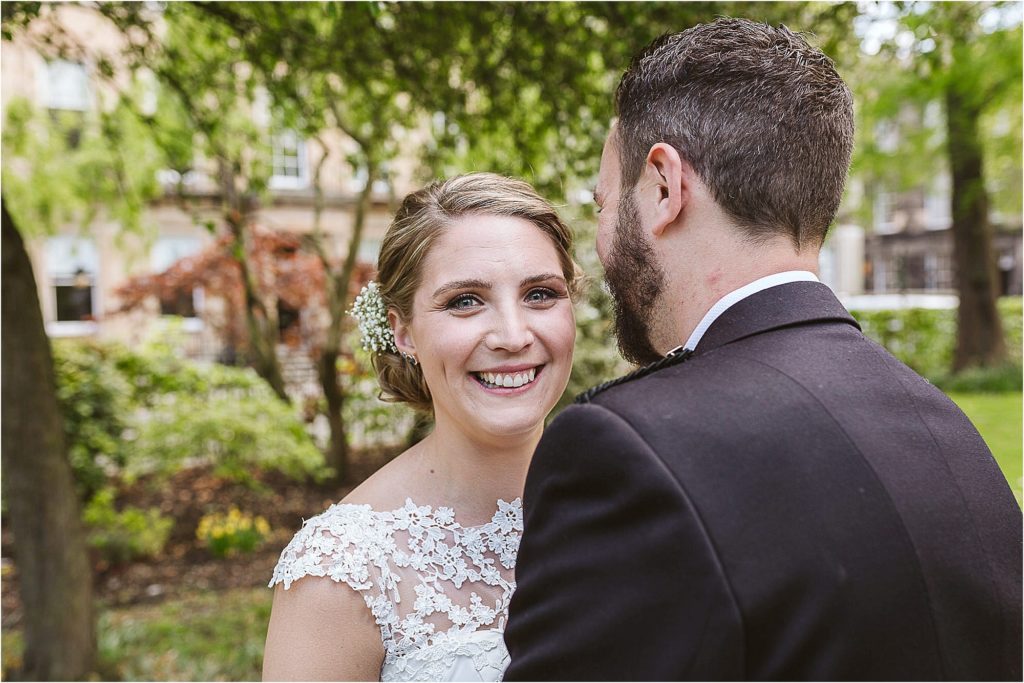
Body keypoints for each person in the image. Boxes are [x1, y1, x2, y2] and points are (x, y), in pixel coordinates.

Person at [503, 18, 1023, 681]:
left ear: (663, 187)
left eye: (605, 203)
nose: (602, 240)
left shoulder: (628, 450)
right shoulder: (945, 429)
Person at [263, 173, 581, 681]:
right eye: (464, 301)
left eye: (540, 294)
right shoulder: (341, 572)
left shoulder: (629, 499)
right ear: (403, 332)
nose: (513, 335)